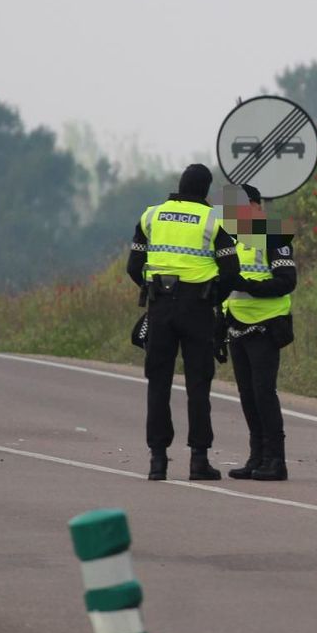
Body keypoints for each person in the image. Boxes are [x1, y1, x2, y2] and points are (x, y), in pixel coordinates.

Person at [126, 163, 240, 481]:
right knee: (198, 385)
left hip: (160, 306)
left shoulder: (151, 216)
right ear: (205, 190)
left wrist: (151, 291)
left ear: (179, 183)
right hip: (197, 309)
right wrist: (213, 297)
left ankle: (157, 461)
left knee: (158, 384)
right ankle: (198, 460)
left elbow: (134, 265)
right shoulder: (212, 220)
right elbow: (231, 271)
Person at [223, 184, 297, 481]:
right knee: (247, 394)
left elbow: (286, 281)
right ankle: (256, 456)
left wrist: (247, 285)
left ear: (255, 206)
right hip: (237, 324)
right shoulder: (233, 239)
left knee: (264, 392)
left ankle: (276, 460)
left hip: (267, 323)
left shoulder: (275, 234)